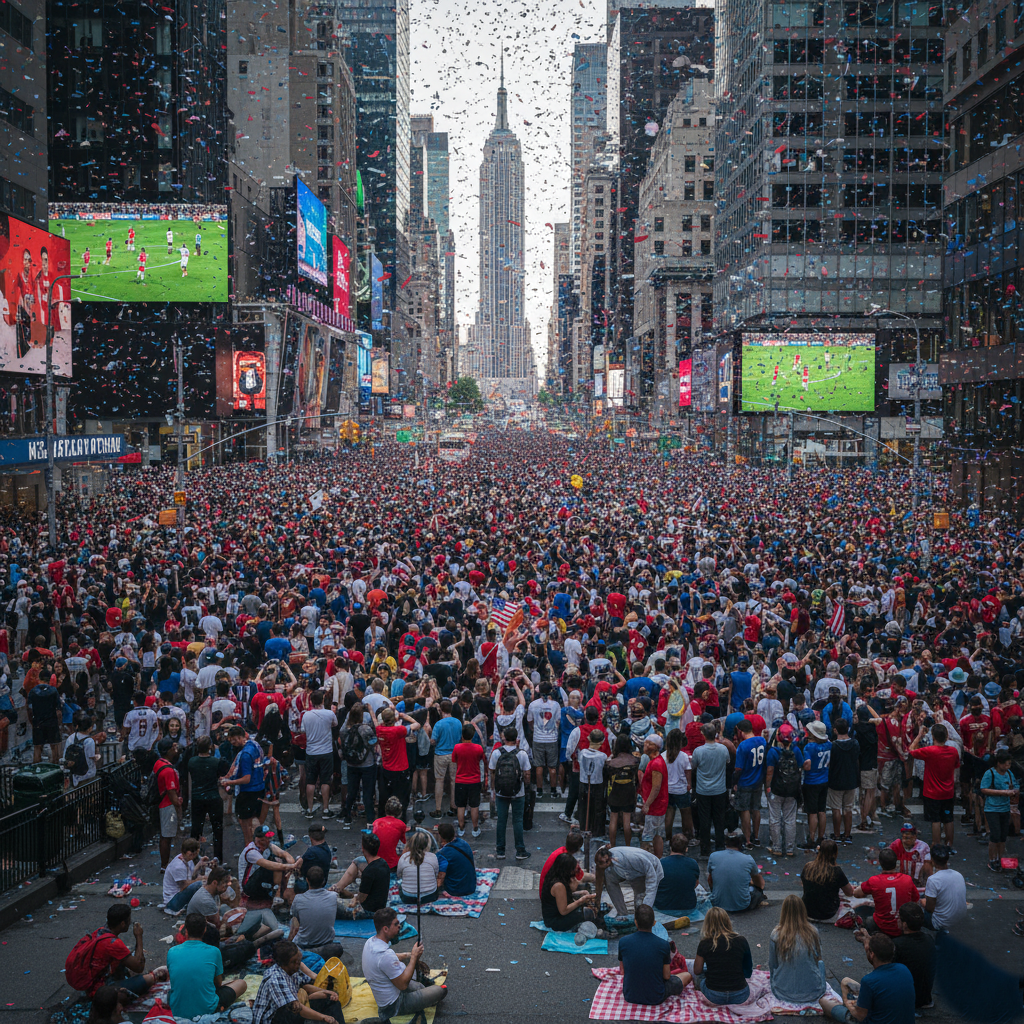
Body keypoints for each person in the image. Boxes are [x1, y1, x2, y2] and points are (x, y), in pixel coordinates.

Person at [360, 908, 448, 1020]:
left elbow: (387, 960)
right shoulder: (385, 955)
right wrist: (414, 957)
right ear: (385, 929)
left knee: (420, 987)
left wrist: (408, 955)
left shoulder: (371, 942)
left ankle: (422, 993)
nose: (399, 926)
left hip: (389, 992)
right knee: (441, 990)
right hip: (394, 1006)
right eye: (396, 924)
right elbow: (402, 985)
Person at [66, 905, 166, 999]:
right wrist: (139, 936)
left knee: (124, 960)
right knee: (147, 980)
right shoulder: (112, 943)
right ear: (123, 924)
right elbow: (139, 967)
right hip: (98, 989)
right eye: (128, 921)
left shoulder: (100, 931)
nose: (130, 923)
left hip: (92, 979)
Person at [819, 932, 915, 1024]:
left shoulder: (869, 981)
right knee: (846, 981)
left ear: (872, 954)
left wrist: (848, 1004)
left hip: (870, 1020)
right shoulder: (904, 969)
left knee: (824, 1002)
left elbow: (860, 1016)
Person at [167, 912, 247, 1019]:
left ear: (186, 930)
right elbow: (218, 984)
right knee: (241, 983)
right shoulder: (214, 951)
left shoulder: (172, 951)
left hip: (177, 1009)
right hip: (207, 1009)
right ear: (204, 930)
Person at [251, 939, 345, 1024]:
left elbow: (304, 985)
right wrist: (324, 1017)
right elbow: (297, 1009)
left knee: (330, 1000)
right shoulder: (275, 979)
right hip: (273, 1018)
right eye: (294, 962)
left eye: (299, 960)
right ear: (283, 964)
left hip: (293, 1008)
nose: (298, 964)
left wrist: (326, 992)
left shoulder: (293, 969)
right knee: (293, 1010)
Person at [680, 906, 753, 1006]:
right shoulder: (741, 940)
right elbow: (748, 969)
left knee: (701, 974)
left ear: (707, 924)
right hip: (740, 994)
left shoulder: (705, 943)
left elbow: (697, 970)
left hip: (714, 995)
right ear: (727, 921)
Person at [618, 904, 686, 1005]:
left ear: (635, 922)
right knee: (687, 975)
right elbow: (666, 976)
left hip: (630, 995)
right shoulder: (663, 945)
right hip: (656, 996)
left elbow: (623, 971)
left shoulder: (623, 942)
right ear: (654, 923)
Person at [909, 722, 960, 847]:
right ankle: (949, 843)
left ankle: (936, 843)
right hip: (948, 792)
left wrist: (920, 735)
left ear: (933, 737)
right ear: (946, 736)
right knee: (948, 818)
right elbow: (956, 766)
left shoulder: (930, 751)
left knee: (935, 820)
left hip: (932, 793)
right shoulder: (953, 752)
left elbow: (911, 750)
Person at [769, 895, 826, 1003]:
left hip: (782, 992)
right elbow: (818, 959)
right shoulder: (813, 931)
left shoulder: (776, 934)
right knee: (821, 964)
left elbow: (773, 964)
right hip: (814, 992)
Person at [488, 724, 532, 861]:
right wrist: (526, 786)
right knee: (517, 821)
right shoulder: (522, 754)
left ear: (504, 738)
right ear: (516, 739)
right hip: (518, 792)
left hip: (501, 792)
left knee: (501, 821)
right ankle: (520, 850)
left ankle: (500, 851)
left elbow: (492, 772)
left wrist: (494, 788)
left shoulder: (496, 753)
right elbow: (527, 774)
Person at [853, 847, 918, 937]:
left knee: (861, 912)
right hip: (903, 926)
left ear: (880, 863)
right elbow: (915, 900)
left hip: (882, 926)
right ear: (896, 864)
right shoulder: (907, 879)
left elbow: (856, 893)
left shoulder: (874, 880)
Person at [541, 850, 606, 933]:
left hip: (557, 913)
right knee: (588, 913)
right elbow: (563, 911)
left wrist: (581, 893)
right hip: (555, 921)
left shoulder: (555, 876)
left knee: (588, 906)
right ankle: (600, 930)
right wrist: (581, 900)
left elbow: (561, 897)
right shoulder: (558, 885)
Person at [287, 866, 344, 960]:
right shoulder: (333, 896)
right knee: (337, 948)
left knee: (293, 920)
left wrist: (288, 943)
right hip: (326, 944)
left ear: (307, 880)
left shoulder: (298, 899)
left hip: (304, 945)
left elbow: (295, 927)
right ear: (323, 881)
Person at [331, 831, 391, 918]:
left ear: (363, 848)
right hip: (380, 904)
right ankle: (339, 888)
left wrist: (354, 899)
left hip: (369, 911)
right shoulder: (383, 863)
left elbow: (361, 899)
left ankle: (337, 889)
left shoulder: (369, 872)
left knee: (329, 904)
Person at [594, 844, 665, 918]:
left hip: (648, 870)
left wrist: (646, 907)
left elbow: (651, 883)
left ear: (607, 860)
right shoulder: (605, 855)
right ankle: (622, 913)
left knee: (640, 902)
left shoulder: (634, 858)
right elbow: (599, 877)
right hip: (628, 872)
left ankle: (642, 918)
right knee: (608, 878)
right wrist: (597, 901)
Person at [691, 722, 729, 856]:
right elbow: (727, 762)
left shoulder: (699, 751)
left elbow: (694, 766)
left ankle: (705, 848)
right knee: (719, 819)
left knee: (704, 820)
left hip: (703, 790)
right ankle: (720, 845)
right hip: (719, 790)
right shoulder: (723, 749)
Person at [189, 734, 228, 862]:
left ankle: (193, 856)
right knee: (217, 828)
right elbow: (223, 773)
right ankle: (218, 857)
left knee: (196, 828)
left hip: (197, 797)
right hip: (213, 797)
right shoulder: (216, 762)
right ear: (210, 747)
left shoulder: (192, 761)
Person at [299, 689, 337, 820]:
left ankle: (309, 809)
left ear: (311, 701)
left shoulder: (306, 715)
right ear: (322, 700)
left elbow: (303, 730)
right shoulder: (329, 713)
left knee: (311, 781)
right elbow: (335, 724)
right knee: (325, 780)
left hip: (311, 751)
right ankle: (326, 809)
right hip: (326, 751)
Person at [979, 749, 1019, 871]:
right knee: (995, 835)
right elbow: (984, 789)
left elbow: (1016, 786)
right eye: (1005, 764)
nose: (1007, 766)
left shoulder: (1009, 774)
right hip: (992, 809)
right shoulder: (990, 773)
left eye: (1009, 764)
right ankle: (992, 860)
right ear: (998, 763)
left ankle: (1001, 858)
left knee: (1002, 836)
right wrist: (1002, 792)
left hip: (1005, 809)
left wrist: (1013, 791)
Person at [708, 832, 767, 913]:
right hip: (743, 905)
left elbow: (710, 880)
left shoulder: (713, 856)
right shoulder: (748, 859)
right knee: (757, 891)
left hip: (718, 903)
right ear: (741, 845)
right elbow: (760, 884)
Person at [890, 902, 935, 1009]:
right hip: (925, 998)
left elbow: (884, 968)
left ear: (905, 924)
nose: (897, 919)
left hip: (906, 999)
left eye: (899, 918)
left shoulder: (897, 944)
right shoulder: (929, 939)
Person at [800, 839, 854, 922]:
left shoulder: (808, 867)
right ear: (835, 854)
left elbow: (804, 885)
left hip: (807, 911)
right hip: (828, 913)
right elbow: (849, 892)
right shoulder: (836, 871)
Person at [733, 718, 766, 848]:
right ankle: (756, 836)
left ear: (740, 731)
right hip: (758, 780)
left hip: (745, 781)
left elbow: (738, 769)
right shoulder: (762, 741)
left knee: (745, 810)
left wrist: (734, 782)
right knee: (756, 808)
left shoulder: (743, 746)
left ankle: (747, 840)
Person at [827, 719, 860, 844]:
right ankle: (847, 834)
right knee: (848, 808)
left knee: (836, 809)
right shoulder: (855, 744)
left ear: (835, 730)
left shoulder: (833, 746)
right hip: (851, 779)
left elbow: (830, 764)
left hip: (836, 780)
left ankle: (836, 834)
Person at [152, 737, 182, 869]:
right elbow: (171, 792)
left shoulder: (158, 763)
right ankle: (165, 865)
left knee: (165, 835)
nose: (176, 750)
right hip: (167, 806)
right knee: (167, 836)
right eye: (173, 748)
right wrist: (178, 805)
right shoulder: (169, 770)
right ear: (168, 750)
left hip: (161, 804)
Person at [654, 831, 701, 915]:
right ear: (686, 849)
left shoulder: (660, 863)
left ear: (670, 847)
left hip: (663, 907)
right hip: (688, 907)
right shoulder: (693, 863)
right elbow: (695, 884)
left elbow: (654, 885)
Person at [801, 721, 832, 849]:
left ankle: (811, 839)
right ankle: (821, 836)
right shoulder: (829, 744)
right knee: (822, 810)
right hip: (824, 779)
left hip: (811, 782)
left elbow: (807, 765)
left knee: (812, 812)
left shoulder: (809, 748)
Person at [921, 844, 967, 930]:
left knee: (916, 907)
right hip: (960, 919)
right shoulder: (958, 875)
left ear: (932, 860)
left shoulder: (933, 880)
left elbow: (930, 909)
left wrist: (922, 902)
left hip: (941, 923)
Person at [431, 699, 463, 816]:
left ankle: (438, 809)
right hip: (454, 754)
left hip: (440, 754)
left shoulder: (438, 724)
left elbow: (433, 741)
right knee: (454, 780)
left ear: (441, 710)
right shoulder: (458, 722)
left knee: (439, 780)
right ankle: (453, 806)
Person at [162, 837, 209, 916]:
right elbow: (183, 886)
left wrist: (200, 865)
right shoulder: (178, 866)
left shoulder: (186, 859)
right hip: (172, 901)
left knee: (203, 880)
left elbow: (190, 876)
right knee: (200, 884)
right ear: (190, 854)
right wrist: (198, 880)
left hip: (177, 896)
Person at [639, 733, 669, 857]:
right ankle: (658, 859)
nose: (645, 745)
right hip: (658, 804)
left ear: (655, 747)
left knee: (647, 837)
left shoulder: (656, 764)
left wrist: (647, 805)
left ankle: (646, 863)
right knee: (657, 834)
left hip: (655, 806)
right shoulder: (655, 761)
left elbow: (656, 787)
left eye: (648, 743)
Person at [663, 727, 693, 845]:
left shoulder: (662, 756)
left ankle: (668, 838)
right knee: (686, 813)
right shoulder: (683, 756)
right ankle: (687, 836)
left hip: (668, 789)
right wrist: (689, 784)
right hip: (681, 789)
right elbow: (688, 772)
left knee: (669, 813)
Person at [396, 831, 440, 904]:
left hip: (408, 897)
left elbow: (399, 875)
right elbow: (435, 874)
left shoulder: (404, 857)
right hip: (429, 896)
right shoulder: (433, 857)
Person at [436, 821, 476, 897]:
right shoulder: (463, 843)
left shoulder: (443, 854)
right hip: (471, 886)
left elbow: (440, 877)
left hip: (455, 889)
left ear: (441, 837)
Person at [371, 796, 409, 870]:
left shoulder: (376, 822)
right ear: (399, 813)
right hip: (392, 863)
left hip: (375, 860)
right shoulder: (401, 824)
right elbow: (404, 842)